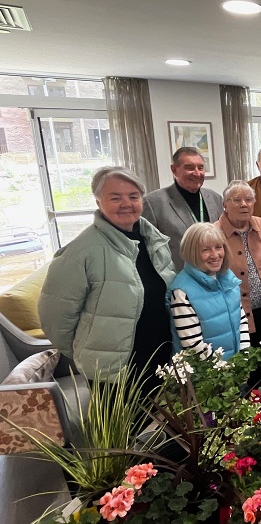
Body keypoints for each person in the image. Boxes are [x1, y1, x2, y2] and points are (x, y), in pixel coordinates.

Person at [40, 167, 175, 391]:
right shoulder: (80, 252)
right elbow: (54, 317)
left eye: (133, 197)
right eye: (115, 198)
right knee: (129, 427)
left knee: (162, 425)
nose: (126, 204)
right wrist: (88, 353)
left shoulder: (154, 241)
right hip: (113, 374)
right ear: (98, 201)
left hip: (160, 359)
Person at [214, 181, 261, 370]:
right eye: (237, 200)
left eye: (249, 200)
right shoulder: (213, 233)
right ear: (224, 204)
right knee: (242, 368)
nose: (244, 204)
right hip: (234, 317)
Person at [168, 223, 250, 359]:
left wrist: (244, 359)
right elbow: (193, 345)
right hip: (207, 375)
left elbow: (241, 321)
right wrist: (225, 372)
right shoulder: (181, 291)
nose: (215, 255)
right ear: (192, 252)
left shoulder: (228, 278)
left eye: (218, 247)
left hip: (234, 371)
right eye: (206, 250)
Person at [142, 147, 224, 270]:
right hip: (177, 279)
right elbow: (148, 250)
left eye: (200, 168)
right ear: (174, 170)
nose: (197, 173)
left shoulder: (215, 198)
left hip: (214, 277)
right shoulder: (153, 203)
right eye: (190, 168)